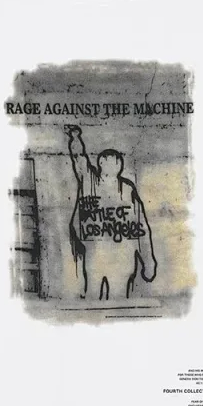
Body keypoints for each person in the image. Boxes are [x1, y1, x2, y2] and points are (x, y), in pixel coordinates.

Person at [66, 124, 157, 300]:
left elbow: (141, 227)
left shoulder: (127, 189)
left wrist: (149, 261)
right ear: (100, 163)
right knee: (93, 300)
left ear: (120, 165)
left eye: (116, 160)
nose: (113, 163)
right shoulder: (89, 181)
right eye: (107, 160)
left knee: (119, 300)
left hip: (122, 258)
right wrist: (75, 138)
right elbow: (79, 159)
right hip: (96, 255)